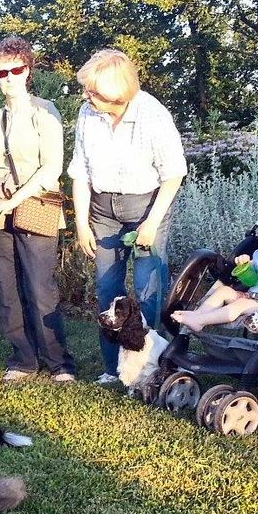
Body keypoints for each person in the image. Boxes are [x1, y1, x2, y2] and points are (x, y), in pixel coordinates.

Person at [68, 48, 187, 387]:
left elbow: (174, 173)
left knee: (148, 287)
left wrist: (151, 223)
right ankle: (113, 369)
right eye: (88, 90)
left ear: (117, 93)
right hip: (103, 210)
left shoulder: (152, 114)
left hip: (148, 207)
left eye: (94, 91)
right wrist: (81, 223)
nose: (87, 96)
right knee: (108, 286)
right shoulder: (87, 114)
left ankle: (149, 369)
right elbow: (80, 172)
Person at [0, 36, 76, 383]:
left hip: (36, 207)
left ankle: (59, 362)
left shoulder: (45, 112)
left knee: (40, 288)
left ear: (28, 70)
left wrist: (12, 200)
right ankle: (23, 359)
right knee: (7, 292)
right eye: (2, 72)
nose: (9, 77)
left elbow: (51, 169)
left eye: (16, 69)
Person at [172, 210, 258, 332]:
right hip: (252, 295)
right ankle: (198, 316)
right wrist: (245, 265)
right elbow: (252, 279)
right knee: (223, 291)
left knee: (241, 304)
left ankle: (202, 320)